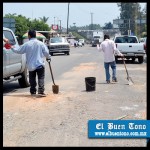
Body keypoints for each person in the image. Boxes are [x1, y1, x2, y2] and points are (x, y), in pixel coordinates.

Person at [11, 29, 51, 96]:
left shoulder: (26, 44)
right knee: (41, 78)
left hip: (31, 66)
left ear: (29, 36)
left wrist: (11, 47)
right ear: (35, 35)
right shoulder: (41, 44)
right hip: (40, 64)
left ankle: (33, 91)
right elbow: (46, 53)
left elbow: (18, 51)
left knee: (32, 79)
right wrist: (48, 58)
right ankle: (41, 91)